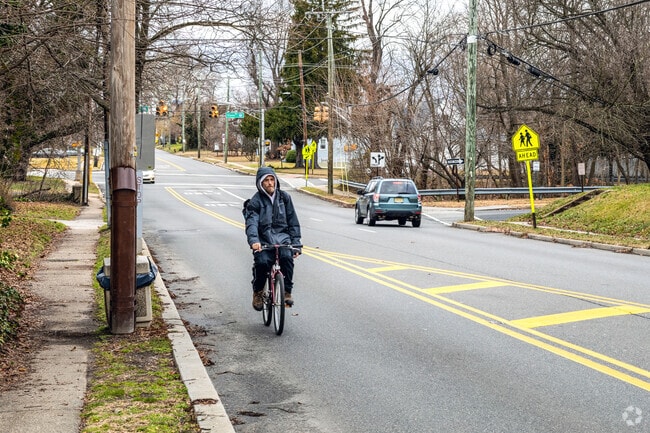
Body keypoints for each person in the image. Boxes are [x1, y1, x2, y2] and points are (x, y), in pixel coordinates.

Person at [244, 167, 302, 310]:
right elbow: (251, 223)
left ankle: (287, 291)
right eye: (266, 181)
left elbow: (293, 222)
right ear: (260, 183)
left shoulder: (284, 198)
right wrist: (254, 241)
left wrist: (296, 245)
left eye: (272, 180)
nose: (270, 183)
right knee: (262, 262)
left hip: (283, 238)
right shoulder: (255, 202)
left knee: (287, 259)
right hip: (264, 241)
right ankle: (258, 292)